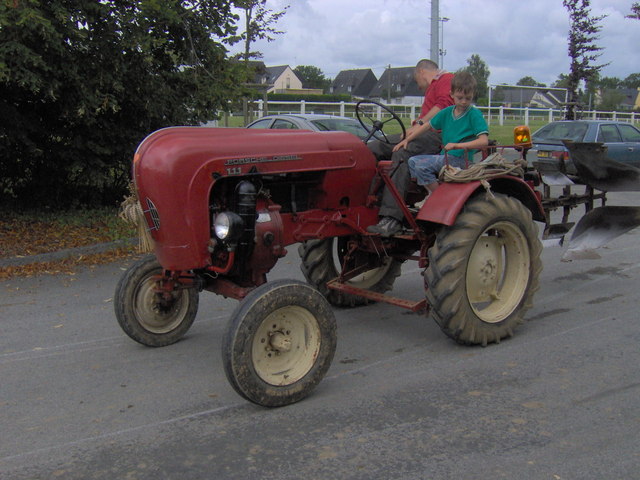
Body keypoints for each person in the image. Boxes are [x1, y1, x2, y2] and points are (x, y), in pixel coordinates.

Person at [369, 71, 489, 236]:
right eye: (460, 98)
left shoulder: (471, 111)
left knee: (410, 159)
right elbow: (427, 125)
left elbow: (484, 141)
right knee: (379, 150)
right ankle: (371, 203)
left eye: (467, 99)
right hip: (444, 155)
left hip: (459, 158)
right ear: (452, 94)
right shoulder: (448, 112)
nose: (463, 102)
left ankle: (432, 198)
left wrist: (457, 145)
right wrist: (407, 139)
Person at [367, 59, 454, 236]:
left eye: (416, 81)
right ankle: (368, 203)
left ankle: (392, 218)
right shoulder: (433, 87)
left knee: (402, 153)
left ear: (421, 72)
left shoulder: (446, 78)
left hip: (436, 134)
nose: (419, 86)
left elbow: (444, 105)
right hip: (422, 132)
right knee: (373, 147)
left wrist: (419, 123)